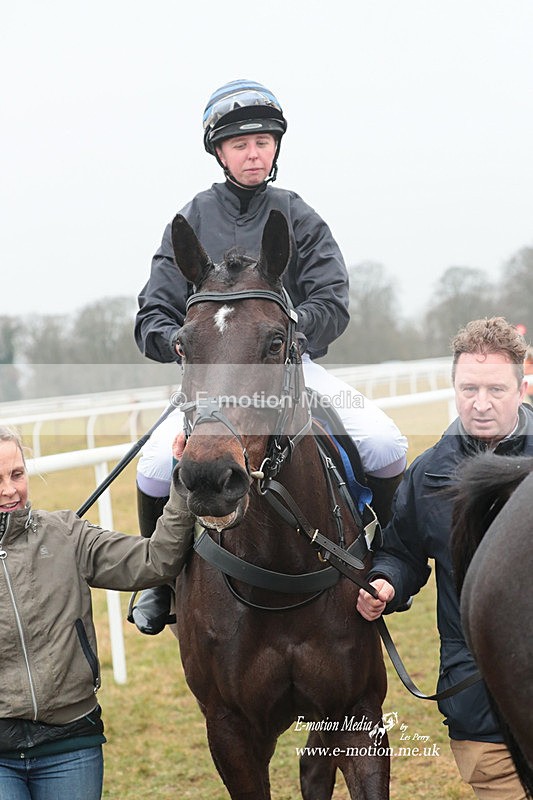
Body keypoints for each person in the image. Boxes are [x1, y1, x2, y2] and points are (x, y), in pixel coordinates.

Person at [131, 78, 408, 635]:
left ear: (276, 147)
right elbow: (152, 315)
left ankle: (386, 561)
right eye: (240, 144)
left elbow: (332, 300)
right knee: (158, 467)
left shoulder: (298, 215)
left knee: (384, 443)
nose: (253, 153)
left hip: (290, 365)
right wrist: (178, 342)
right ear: (219, 152)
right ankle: (161, 584)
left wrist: (290, 332)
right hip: (212, 379)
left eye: (262, 141)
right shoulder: (189, 219)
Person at [357, 317, 533, 800]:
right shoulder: (427, 472)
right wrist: (387, 582)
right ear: (453, 387)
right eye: (468, 388)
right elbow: (401, 552)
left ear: (522, 387)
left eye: (495, 389)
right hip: (477, 695)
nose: (480, 403)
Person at [0, 426, 194, 800]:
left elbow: (156, 559)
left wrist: (183, 480)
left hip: (71, 741)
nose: (10, 490)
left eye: (17, 474)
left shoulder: (66, 534)